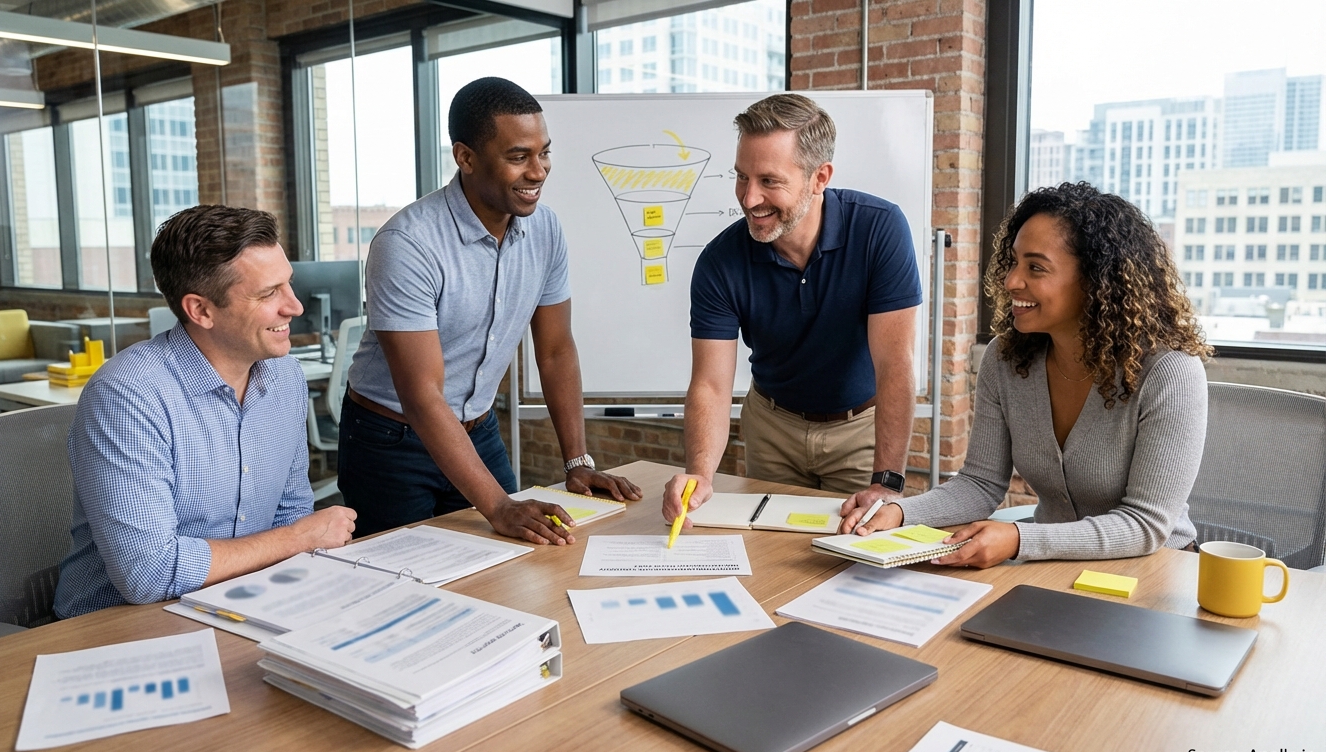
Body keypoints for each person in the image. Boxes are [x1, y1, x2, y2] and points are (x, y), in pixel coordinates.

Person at [339, 77, 640, 545]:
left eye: (544, 153)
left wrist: (578, 463)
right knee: (401, 582)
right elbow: (422, 395)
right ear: (466, 157)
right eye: (518, 157)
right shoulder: (407, 245)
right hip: (390, 443)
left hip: (478, 431)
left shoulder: (545, 230)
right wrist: (498, 505)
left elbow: (556, 351)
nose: (538, 171)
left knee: (512, 564)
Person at [849, 182, 1212, 568]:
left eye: (1035, 267)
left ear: (1096, 281)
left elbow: (1146, 525)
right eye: (1015, 262)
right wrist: (901, 513)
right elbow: (981, 484)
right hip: (1052, 569)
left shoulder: (1170, 372)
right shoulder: (1005, 359)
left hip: (1155, 571)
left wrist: (1020, 538)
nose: (1011, 281)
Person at [55, 206, 358, 618]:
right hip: (121, 627)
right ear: (201, 310)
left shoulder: (284, 375)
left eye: (289, 285)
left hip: (242, 605)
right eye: (268, 293)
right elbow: (148, 575)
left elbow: (291, 511)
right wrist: (297, 539)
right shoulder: (128, 396)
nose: (295, 307)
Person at [662, 94, 921, 531]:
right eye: (741, 177)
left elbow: (895, 366)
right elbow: (710, 384)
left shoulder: (879, 229)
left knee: (854, 552)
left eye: (769, 181)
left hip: (859, 429)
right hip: (772, 428)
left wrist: (887, 481)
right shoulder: (720, 260)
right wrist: (701, 476)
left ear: (820, 177)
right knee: (767, 555)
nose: (749, 198)